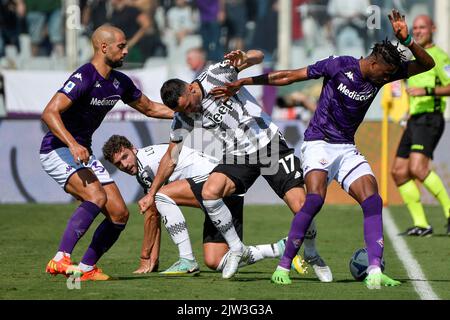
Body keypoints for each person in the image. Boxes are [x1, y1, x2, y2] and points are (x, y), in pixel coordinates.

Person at [211, 10, 435, 289]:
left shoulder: (384, 73)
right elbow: (290, 76)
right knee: (315, 199)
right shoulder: (339, 65)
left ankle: (376, 270)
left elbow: (428, 65)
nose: (388, 78)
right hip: (318, 143)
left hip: (345, 148)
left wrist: (409, 40)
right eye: (386, 73)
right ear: (375, 62)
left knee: (372, 199)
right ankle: (283, 265)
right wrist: (246, 82)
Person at [141, 49, 332, 281]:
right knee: (211, 192)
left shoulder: (215, 74)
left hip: (268, 144)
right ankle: (237, 248)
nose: (189, 112)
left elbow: (259, 56)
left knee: (302, 207)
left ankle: (311, 253)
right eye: (182, 111)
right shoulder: (183, 117)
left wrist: (246, 58)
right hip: (238, 155)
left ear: (191, 88)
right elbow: (171, 156)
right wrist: (152, 193)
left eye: (188, 105)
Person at [40, 25, 174, 281]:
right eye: (121, 46)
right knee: (95, 196)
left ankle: (86, 268)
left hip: (81, 152)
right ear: (104, 47)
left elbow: (150, 108)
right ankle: (60, 259)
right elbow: (49, 112)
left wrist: (186, 113)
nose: (126, 51)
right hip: (58, 149)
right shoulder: (85, 76)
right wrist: (72, 143)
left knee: (119, 214)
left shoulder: (119, 81)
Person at [102, 134, 329, 278]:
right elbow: (155, 213)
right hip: (224, 196)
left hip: (217, 182)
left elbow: (152, 212)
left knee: (160, 195)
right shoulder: (143, 168)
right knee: (215, 261)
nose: (124, 165)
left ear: (133, 148)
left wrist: (145, 258)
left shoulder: (146, 162)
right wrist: (154, 260)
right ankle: (283, 247)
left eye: (125, 156)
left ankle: (187, 260)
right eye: (118, 163)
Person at [391, 14, 450, 237]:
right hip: (415, 119)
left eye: (422, 27)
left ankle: (449, 210)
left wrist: (426, 92)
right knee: (398, 172)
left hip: (430, 118)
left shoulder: (439, 57)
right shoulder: (415, 57)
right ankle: (422, 224)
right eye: (415, 28)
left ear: (433, 28)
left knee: (417, 168)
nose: (417, 31)